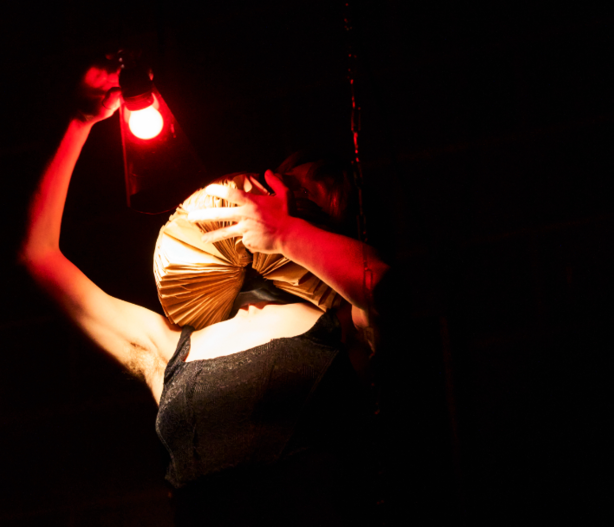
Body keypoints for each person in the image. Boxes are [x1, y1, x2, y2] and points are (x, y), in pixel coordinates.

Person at [20, 64, 389, 526]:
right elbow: (38, 256)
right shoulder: (168, 348)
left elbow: (387, 288)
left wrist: (286, 235)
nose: (279, 200)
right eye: (282, 187)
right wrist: (78, 121)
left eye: (306, 200)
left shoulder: (345, 329)